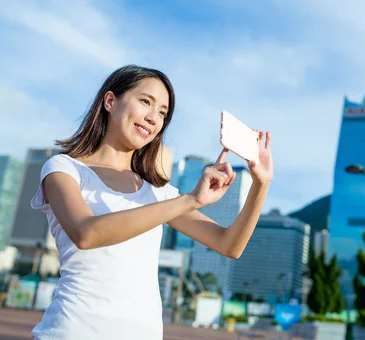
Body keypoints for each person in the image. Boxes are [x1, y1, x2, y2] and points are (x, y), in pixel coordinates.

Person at [29, 65, 273, 339]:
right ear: (110, 101)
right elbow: (86, 233)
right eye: (146, 102)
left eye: (162, 113)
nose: (153, 118)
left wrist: (261, 184)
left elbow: (230, 245)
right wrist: (190, 200)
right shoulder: (64, 169)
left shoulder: (160, 194)